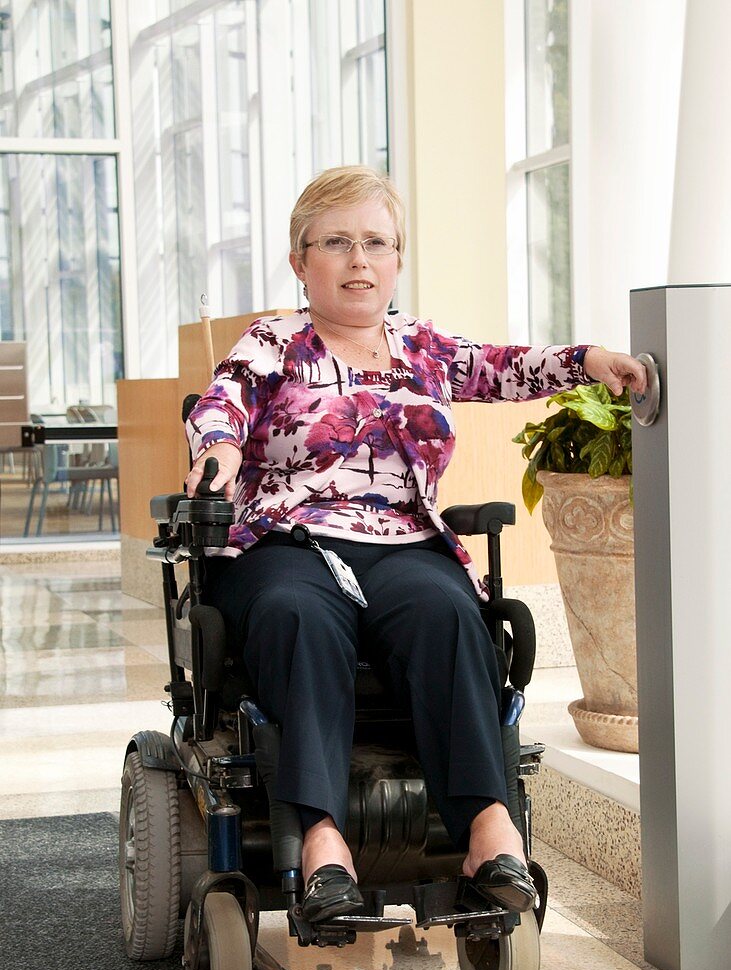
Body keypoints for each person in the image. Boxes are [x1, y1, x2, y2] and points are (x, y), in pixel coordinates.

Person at [186, 165, 647, 923]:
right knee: (296, 616)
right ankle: (321, 838)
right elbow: (223, 402)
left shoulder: (420, 347)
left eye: (375, 242)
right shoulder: (274, 342)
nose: (358, 260)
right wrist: (220, 449)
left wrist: (588, 360)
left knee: (446, 610)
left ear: (397, 258)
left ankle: (484, 827)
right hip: (286, 544)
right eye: (335, 243)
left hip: (403, 542)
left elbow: (502, 368)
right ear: (301, 262)